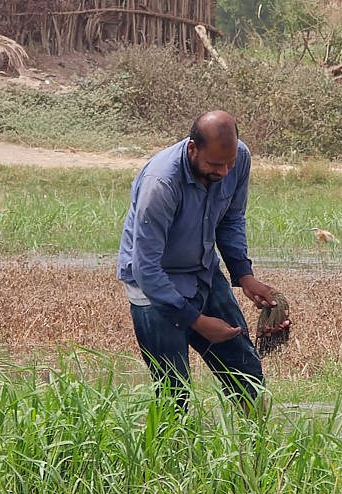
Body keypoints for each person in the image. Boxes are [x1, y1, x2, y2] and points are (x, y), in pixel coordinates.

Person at [115, 109, 284, 404]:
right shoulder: (161, 183)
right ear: (193, 148)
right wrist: (197, 322)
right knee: (174, 394)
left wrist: (244, 276)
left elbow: (231, 220)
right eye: (215, 165)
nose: (224, 172)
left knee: (248, 378)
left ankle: (255, 436)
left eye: (229, 163)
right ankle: (173, 438)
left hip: (203, 272)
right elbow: (146, 268)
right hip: (153, 285)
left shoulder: (239, 158)